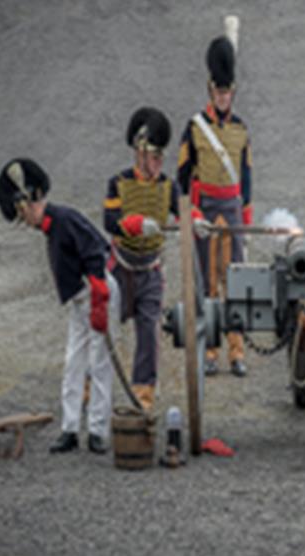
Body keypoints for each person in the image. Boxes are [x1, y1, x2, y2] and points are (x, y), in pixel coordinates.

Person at [0, 158, 115, 455]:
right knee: (74, 361)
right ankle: (70, 428)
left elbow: (96, 250)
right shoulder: (51, 226)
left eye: (23, 214)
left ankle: (98, 430)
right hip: (80, 301)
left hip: (97, 293)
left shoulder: (65, 218)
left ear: (31, 200)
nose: (26, 223)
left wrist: (99, 295)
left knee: (99, 362)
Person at [103, 107, 207, 411]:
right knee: (105, 330)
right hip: (121, 267)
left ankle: (143, 392)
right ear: (139, 152)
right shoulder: (118, 183)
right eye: (153, 157)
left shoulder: (168, 185)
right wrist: (134, 223)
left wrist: (197, 220)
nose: (158, 164)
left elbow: (183, 209)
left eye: (161, 158)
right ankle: (90, 384)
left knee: (149, 333)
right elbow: (110, 220)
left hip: (150, 270)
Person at [176, 31, 253, 377]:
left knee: (234, 281)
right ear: (211, 91)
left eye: (228, 92)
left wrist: (246, 217)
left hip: (232, 209)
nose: (224, 97)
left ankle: (237, 352)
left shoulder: (241, 130)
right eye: (219, 92)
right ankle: (210, 351)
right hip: (206, 207)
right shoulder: (194, 129)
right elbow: (181, 177)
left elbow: (246, 177)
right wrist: (191, 213)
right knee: (206, 282)